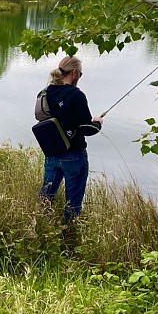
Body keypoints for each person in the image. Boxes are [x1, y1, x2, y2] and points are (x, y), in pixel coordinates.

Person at [37, 56, 103, 224]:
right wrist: (97, 122)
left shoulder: (47, 92)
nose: (80, 77)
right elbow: (87, 129)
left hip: (52, 154)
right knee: (72, 204)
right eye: (80, 74)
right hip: (74, 155)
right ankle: (69, 238)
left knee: (46, 198)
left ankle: (40, 226)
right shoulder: (76, 95)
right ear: (74, 73)